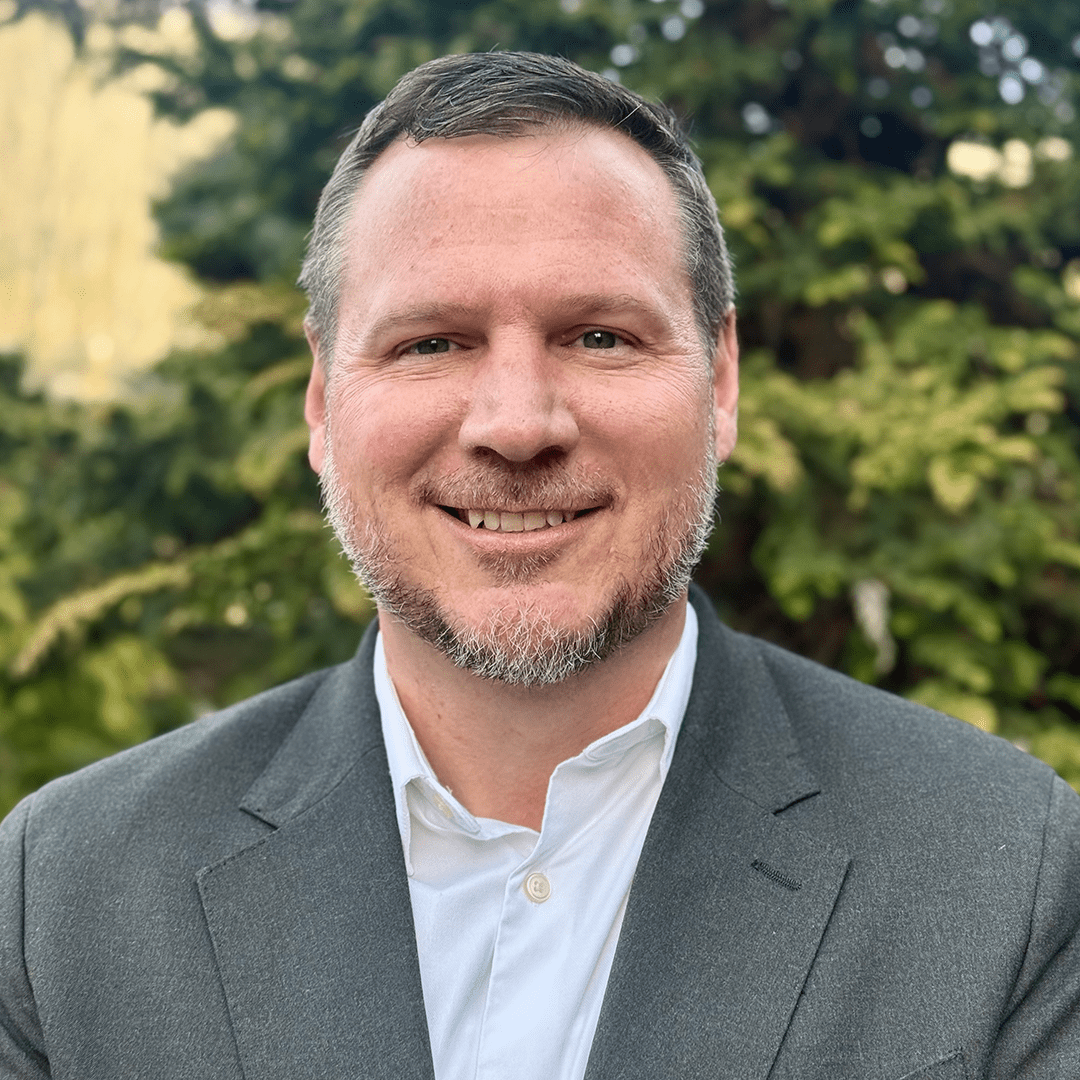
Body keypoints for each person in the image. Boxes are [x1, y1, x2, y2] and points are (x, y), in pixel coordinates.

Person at [2, 50, 1079, 1080]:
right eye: (431, 342)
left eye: (600, 335)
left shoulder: (1007, 870)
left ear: (721, 384)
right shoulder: (62, 897)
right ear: (325, 405)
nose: (517, 425)